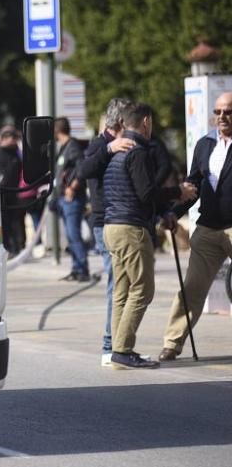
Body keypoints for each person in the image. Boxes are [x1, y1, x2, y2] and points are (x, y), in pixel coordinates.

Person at [103, 103, 195, 369]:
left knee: (122, 290)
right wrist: (178, 192)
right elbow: (146, 193)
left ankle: (119, 350)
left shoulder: (117, 152)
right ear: (146, 122)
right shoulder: (138, 152)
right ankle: (123, 349)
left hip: (112, 226)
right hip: (131, 228)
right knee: (143, 289)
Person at [158, 92, 232, 361]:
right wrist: (174, 213)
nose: (222, 117)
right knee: (191, 290)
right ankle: (172, 343)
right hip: (208, 228)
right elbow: (194, 186)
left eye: (228, 112)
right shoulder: (205, 144)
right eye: (218, 111)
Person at [74, 98, 135, 366]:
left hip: (118, 221)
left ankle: (118, 344)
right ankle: (110, 346)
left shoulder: (120, 145)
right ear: (121, 122)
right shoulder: (100, 145)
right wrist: (109, 148)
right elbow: (83, 170)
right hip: (104, 222)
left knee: (123, 283)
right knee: (117, 284)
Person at [53, 117, 90, 281]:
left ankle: (83, 269)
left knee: (74, 234)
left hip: (72, 198)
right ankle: (76, 268)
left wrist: (72, 187)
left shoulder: (73, 147)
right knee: (70, 235)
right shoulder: (64, 147)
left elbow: (81, 168)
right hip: (63, 199)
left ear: (57, 130)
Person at [0, 125, 25, 255]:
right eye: (8, 137)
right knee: (4, 224)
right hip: (0, 195)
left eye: (13, 137)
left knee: (15, 222)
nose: (11, 140)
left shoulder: (17, 153)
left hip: (14, 195)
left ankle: (17, 247)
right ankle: (9, 247)